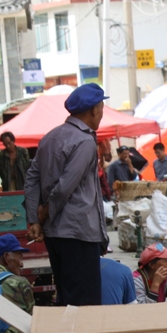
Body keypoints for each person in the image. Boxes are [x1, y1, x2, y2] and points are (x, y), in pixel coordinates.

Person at [25, 83, 109, 306]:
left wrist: (34, 219)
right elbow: (64, 188)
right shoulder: (85, 141)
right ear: (93, 110)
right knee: (84, 305)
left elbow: (32, 178)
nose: (102, 113)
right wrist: (41, 215)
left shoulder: (50, 137)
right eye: (101, 107)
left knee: (66, 298)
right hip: (78, 233)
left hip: (56, 235)